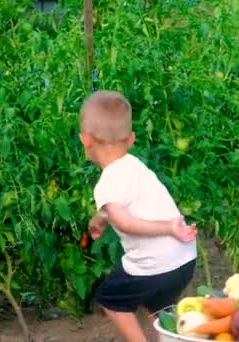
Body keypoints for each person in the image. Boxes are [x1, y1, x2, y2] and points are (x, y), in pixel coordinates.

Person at [79, 90, 198, 342]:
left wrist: (168, 226)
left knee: (110, 299)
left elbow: (123, 221)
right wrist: (100, 218)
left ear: (85, 140)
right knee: (158, 307)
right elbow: (116, 207)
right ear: (131, 139)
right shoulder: (134, 165)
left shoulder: (106, 183)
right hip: (184, 259)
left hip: (155, 264)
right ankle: (172, 338)